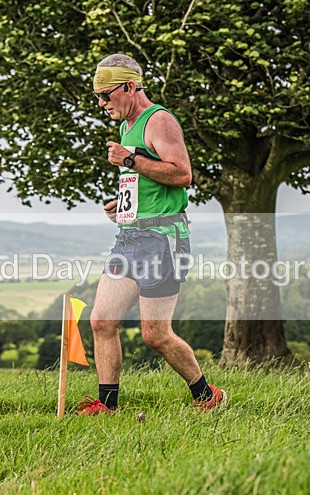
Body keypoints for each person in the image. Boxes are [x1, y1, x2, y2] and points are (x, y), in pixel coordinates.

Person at [76, 54, 226, 415]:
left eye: (106, 95)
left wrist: (129, 160)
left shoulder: (159, 120)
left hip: (163, 240)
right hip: (129, 237)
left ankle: (207, 395)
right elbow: (149, 181)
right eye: (98, 96)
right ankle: (107, 405)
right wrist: (125, 206)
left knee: (155, 335)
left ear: (130, 86)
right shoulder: (126, 126)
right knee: (102, 321)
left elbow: (182, 174)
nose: (102, 103)